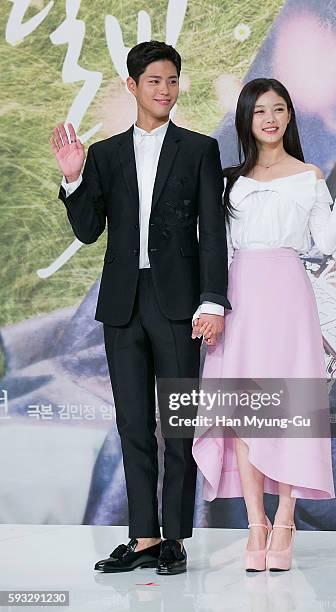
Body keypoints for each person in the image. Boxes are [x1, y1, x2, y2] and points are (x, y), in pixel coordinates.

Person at [50, 40, 231, 575]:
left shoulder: (199, 150)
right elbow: (87, 231)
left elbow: (212, 235)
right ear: (132, 87)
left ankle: (175, 537)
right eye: (154, 81)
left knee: (178, 422)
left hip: (179, 306)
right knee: (132, 423)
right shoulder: (104, 154)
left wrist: (213, 300)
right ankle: (144, 538)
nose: (165, 90)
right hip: (124, 305)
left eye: (172, 80)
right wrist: (74, 177)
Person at [191, 78, 336, 572]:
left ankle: (286, 519)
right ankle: (256, 523)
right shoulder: (230, 180)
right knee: (245, 410)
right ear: (246, 120)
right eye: (259, 112)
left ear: (290, 116)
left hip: (289, 295)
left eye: (278, 109)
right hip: (239, 297)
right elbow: (216, 250)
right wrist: (211, 307)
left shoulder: (308, 174)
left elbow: (328, 239)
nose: (269, 118)